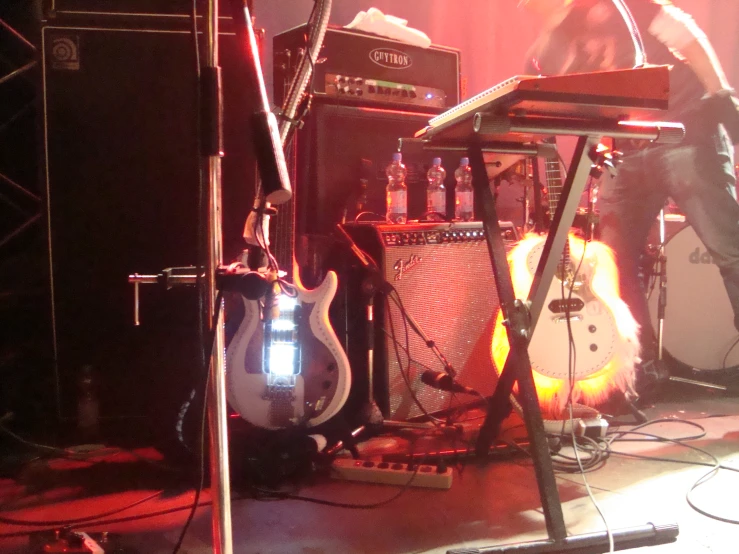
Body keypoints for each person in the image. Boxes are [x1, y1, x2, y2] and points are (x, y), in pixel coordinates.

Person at [519, 0, 739, 392]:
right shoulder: (545, 50)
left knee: (731, 250)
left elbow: (688, 38)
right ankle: (641, 374)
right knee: (612, 266)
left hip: (685, 129)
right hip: (626, 151)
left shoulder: (617, 4)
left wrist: (720, 97)